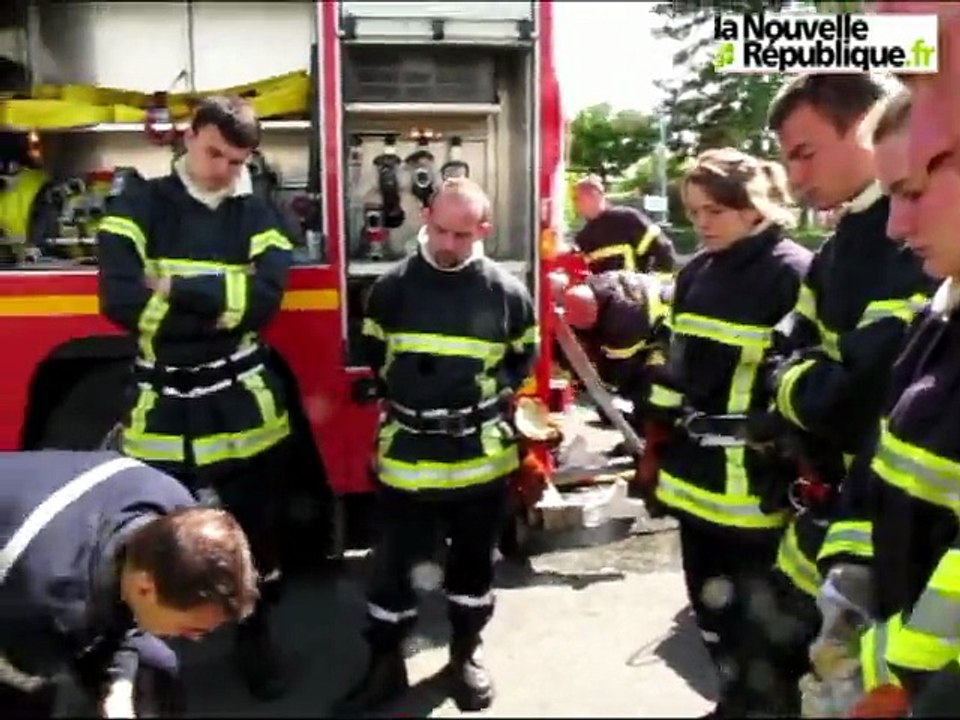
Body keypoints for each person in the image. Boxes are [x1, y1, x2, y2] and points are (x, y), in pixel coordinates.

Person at [735, 75, 936, 716]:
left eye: (805, 151)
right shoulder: (847, 240)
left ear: (867, 126)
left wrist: (793, 383)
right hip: (832, 520)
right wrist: (800, 378)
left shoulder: (904, 237)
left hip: (889, 540)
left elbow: (850, 392)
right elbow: (785, 348)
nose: (793, 177)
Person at [96, 95, 294, 700]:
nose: (225, 170)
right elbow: (118, 301)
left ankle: (255, 639)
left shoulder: (259, 216)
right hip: (163, 414)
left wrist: (174, 287)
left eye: (238, 160)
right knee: (153, 540)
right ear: (190, 135)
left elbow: (263, 304)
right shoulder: (138, 204)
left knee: (257, 539)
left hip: (243, 412)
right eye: (215, 153)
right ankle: (151, 663)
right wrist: (221, 301)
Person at [333, 177, 538, 716]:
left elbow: (524, 358)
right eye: (441, 230)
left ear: (484, 230)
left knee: (473, 570)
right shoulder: (392, 289)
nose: (448, 244)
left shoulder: (508, 294)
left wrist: (485, 402)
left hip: (480, 460)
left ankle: (464, 658)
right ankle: (384, 667)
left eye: (462, 235)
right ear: (425, 217)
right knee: (390, 570)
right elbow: (376, 354)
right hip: (408, 459)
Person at [638, 147, 812, 718]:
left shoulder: (792, 274)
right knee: (708, 609)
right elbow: (671, 365)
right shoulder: (695, 273)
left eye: (714, 211)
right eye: (694, 213)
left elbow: (809, 388)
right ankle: (732, 699)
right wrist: (653, 447)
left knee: (761, 626)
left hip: (757, 490)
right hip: (694, 479)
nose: (702, 224)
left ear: (754, 206)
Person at [837, 94, 960, 718]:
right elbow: (880, 468)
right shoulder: (937, 318)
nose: (895, 226)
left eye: (912, 193)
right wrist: (849, 571)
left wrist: (921, 691)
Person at [0, 450, 259, 719]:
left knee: (155, 671)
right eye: (190, 628)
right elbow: (31, 664)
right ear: (146, 587)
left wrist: (119, 691)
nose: (197, 639)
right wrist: (115, 681)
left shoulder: (174, 507)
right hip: (19, 602)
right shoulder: (51, 602)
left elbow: (122, 609)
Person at [572, 174, 677, 275]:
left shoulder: (628, 220)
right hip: (602, 290)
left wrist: (654, 284)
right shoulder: (584, 237)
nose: (575, 204)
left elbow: (663, 248)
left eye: (578, 198)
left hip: (634, 290)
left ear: (597, 195)